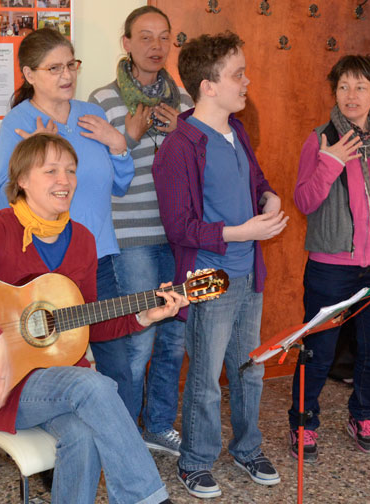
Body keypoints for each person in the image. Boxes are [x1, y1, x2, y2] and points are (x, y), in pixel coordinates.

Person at [0, 133, 181, 504]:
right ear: (22, 180)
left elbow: (85, 322)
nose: (65, 180)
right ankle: (149, 499)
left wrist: (142, 316)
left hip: (55, 381)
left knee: (84, 433)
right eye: (51, 171)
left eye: (71, 171)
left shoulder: (83, 241)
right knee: (94, 385)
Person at [153, 31, 288, 499]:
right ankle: (195, 461)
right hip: (209, 278)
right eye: (238, 74)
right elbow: (181, 229)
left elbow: (256, 181)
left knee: (249, 369)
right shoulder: (178, 148)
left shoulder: (237, 133)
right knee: (207, 377)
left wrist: (268, 196)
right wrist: (240, 233)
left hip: (250, 273)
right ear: (208, 86)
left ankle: (248, 448)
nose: (246, 81)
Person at [287, 55, 370, 459]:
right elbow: (304, 200)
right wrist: (330, 164)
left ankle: (363, 414)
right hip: (331, 267)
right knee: (320, 350)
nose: (351, 95)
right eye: (344, 86)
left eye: (361, 87)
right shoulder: (322, 138)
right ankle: (304, 421)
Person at [87, 5, 194, 457]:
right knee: (136, 339)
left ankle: (158, 424)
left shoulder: (185, 103)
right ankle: (123, 431)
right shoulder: (101, 100)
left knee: (175, 338)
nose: (155, 46)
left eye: (163, 37)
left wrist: (181, 133)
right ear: (126, 43)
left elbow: (198, 168)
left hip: (176, 236)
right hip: (129, 237)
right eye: (144, 37)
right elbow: (95, 171)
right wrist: (126, 138)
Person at [0, 28, 133, 352]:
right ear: (29, 74)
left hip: (100, 257)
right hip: (47, 262)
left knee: (119, 362)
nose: (67, 75)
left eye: (71, 65)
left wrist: (119, 145)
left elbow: (120, 185)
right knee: (57, 360)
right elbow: (3, 196)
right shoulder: (19, 122)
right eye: (54, 68)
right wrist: (31, 159)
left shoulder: (93, 115)